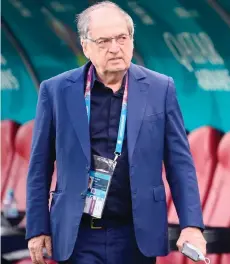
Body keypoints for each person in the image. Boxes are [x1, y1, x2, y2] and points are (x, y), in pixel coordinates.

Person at [26, 2, 207, 264]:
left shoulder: (160, 89)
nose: (115, 48)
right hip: (78, 234)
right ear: (85, 46)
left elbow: (180, 164)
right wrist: (37, 228)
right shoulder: (55, 91)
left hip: (136, 233)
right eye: (103, 41)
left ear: (132, 40)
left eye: (122, 38)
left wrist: (191, 225)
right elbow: (39, 166)